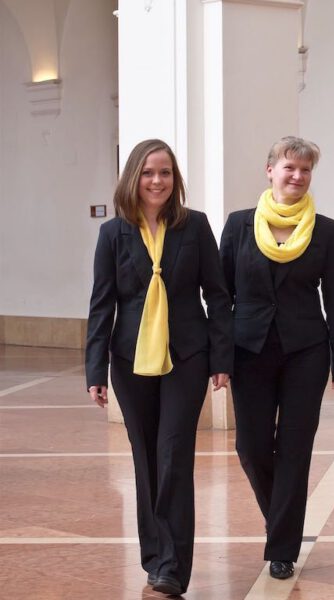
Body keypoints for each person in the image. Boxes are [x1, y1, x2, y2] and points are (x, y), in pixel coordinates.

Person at [85, 139, 232, 596]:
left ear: (175, 180)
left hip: (186, 356)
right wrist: (94, 369)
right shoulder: (114, 233)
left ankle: (172, 565)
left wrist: (222, 358)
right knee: (145, 457)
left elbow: (218, 295)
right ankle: (154, 554)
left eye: (165, 173)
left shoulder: (196, 226)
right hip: (130, 360)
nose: (157, 181)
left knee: (173, 456)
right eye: (149, 172)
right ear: (134, 176)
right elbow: (102, 303)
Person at [219, 136, 334, 580]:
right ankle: (284, 517)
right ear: (270, 169)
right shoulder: (239, 225)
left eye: (305, 170)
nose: (297, 176)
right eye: (289, 167)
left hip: (306, 351)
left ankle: (282, 546)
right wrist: (218, 357)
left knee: (295, 449)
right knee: (252, 447)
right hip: (249, 349)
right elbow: (221, 297)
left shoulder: (326, 228)